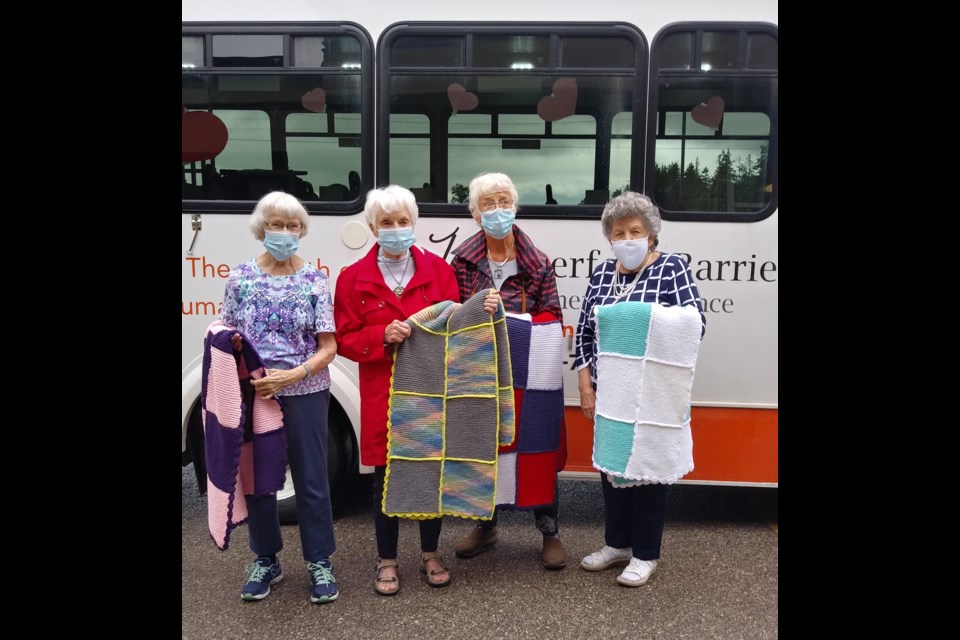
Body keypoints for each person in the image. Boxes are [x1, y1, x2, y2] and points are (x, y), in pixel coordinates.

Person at [335, 185, 472, 595]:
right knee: (386, 478)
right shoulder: (352, 278)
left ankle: (430, 554)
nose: (396, 229)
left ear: (414, 224)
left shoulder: (440, 271)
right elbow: (342, 338)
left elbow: (456, 329)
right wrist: (381, 335)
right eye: (386, 223)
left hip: (430, 389)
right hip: (383, 391)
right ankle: (387, 559)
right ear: (373, 227)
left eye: (403, 221)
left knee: (429, 473)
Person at [575, 191, 706, 587]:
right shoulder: (601, 274)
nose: (627, 238)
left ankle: (646, 554)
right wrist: (585, 384)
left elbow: (694, 323)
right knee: (613, 470)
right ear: (609, 237)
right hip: (611, 392)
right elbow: (584, 332)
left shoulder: (671, 269)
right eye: (619, 232)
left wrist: (633, 317)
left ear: (651, 235)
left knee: (649, 474)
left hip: (654, 397)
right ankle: (617, 545)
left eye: (636, 230)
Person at [219, 191, 340, 604]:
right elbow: (226, 335)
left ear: (301, 231)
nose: (285, 233)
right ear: (262, 228)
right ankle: (266, 559)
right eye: (277, 224)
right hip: (255, 395)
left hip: (305, 390)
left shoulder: (314, 280)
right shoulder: (239, 278)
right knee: (259, 481)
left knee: (311, 479)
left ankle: (320, 561)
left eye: (292, 226)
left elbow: (328, 347)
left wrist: (294, 373)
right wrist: (233, 348)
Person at [450, 172, 568, 570]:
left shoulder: (537, 260)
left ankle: (549, 530)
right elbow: (453, 313)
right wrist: (475, 311)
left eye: (504, 201)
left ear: (515, 207)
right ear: (474, 212)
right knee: (484, 447)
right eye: (488, 203)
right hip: (481, 369)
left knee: (536, 443)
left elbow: (552, 315)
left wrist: (514, 320)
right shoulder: (463, 260)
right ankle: (485, 526)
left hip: (529, 373)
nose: (497, 210)